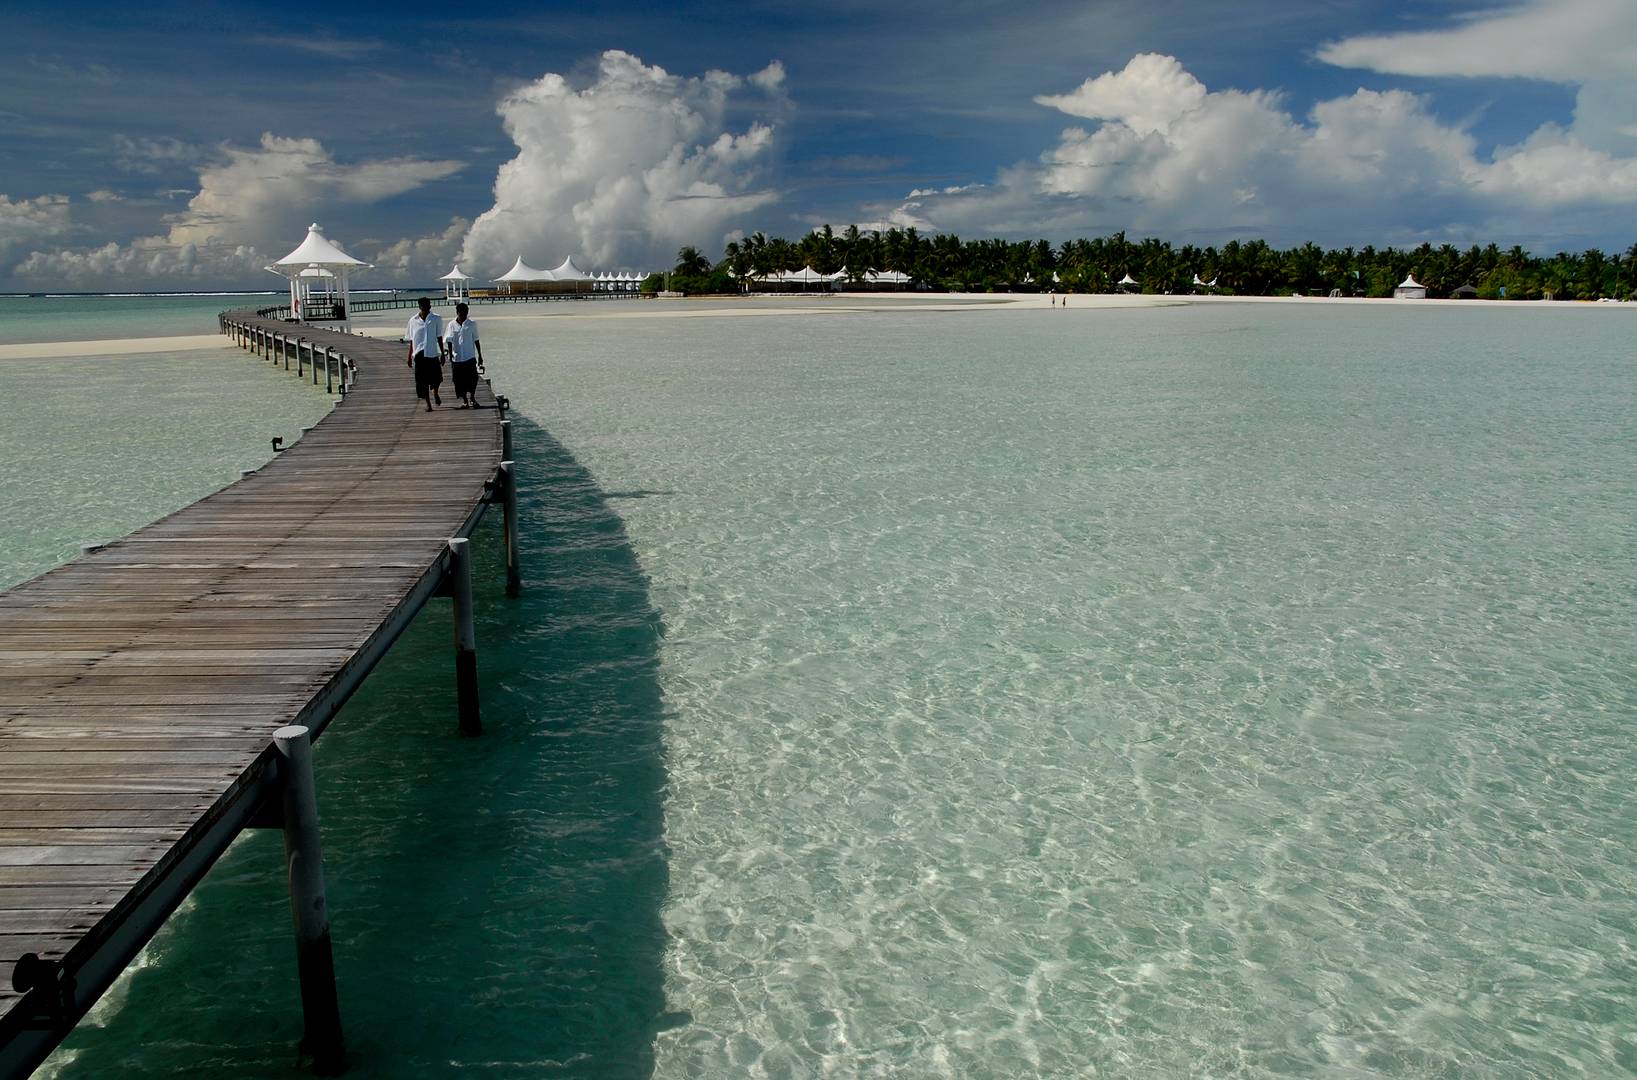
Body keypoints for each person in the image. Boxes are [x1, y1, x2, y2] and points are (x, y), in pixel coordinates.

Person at [441, 302, 484, 408]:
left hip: (469, 356)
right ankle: (465, 400)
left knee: (473, 378)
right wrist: (450, 354)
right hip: (457, 357)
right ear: (457, 313)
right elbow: (449, 340)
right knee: (458, 380)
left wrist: (480, 355)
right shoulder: (451, 325)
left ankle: (472, 398)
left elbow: (476, 340)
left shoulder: (472, 324)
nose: (463, 316)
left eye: (465, 314)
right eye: (461, 314)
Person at [405, 297, 444, 411]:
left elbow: (439, 337)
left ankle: (435, 392)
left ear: (430, 307)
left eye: (427, 307)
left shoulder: (436, 319)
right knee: (422, 381)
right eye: (423, 307)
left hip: (432, 353)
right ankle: (428, 404)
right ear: (419, 307)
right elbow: (412, 340)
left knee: (437, 378)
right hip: (419, 354)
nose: (425, 309)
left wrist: (442, 353)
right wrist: (409, 356)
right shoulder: (413, 320)